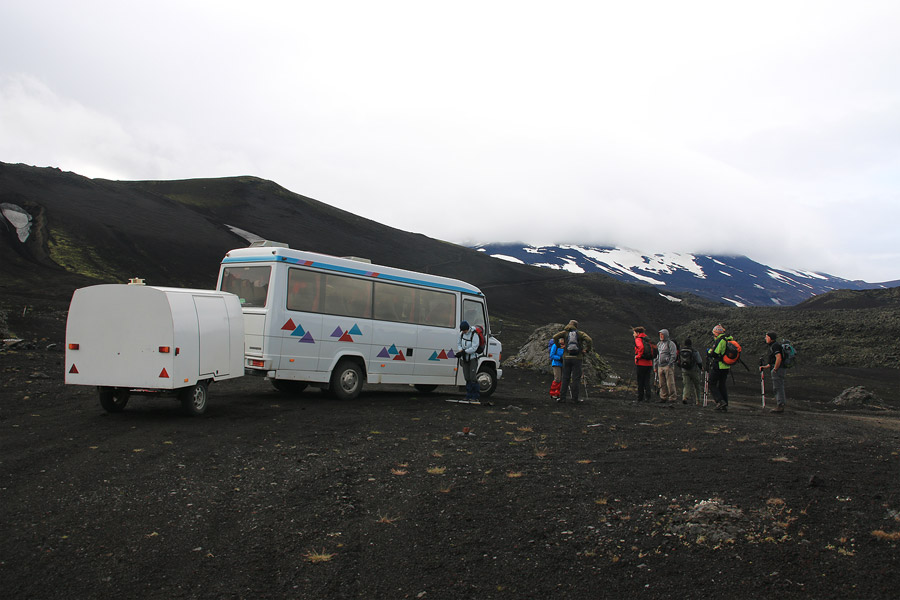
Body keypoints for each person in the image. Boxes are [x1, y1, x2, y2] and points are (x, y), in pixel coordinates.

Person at [552, 320, 593, 403]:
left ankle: (562, 398)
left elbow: (555, 337)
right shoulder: (580, 333)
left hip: (566, 358)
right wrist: (587, 350)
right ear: (576, 326)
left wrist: (559, 346)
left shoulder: (564, 333)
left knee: (565, 378)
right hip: (577, 358)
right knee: (576, 379)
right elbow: (589, 340)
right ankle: (575, 399)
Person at [707, 324, 732, 411]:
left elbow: (715, 353)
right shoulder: (728, 339)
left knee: (711, 383)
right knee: (722, 384)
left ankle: (720, 401)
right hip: (726, 365)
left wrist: (709, 352)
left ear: (716, 333)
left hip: (718, 365)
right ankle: (724, 404)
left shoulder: (720, 340)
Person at [760, 331, 786, 413]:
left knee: (778, 387)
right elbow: (774, 359)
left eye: (767, 337)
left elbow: (778, 358)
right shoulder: (775, 345)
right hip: (779, 368)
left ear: (771, 338)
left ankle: (780, 405)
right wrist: (767, 366)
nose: (765, 338)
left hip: (778, 369)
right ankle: (780, 404)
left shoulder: (775, 346)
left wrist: (775, 368)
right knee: (778, 386)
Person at [457, 321, 482, 403]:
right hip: (465, 358)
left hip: (472, 358)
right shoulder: (461, 334)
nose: (463, 332)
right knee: (467, 377)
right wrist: (460, 351)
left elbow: (474, 347)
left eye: (464, 330)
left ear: (467, 329)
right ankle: (468, 395)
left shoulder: (474, 334)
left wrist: (464, 351)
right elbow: (459, 343)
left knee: (472, 377)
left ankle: (475, 396)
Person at [655, 329, 678, 403]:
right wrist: (655, 365)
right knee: (662, 383)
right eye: (660, 335)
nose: (661, 336)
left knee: (670, 382)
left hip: (668, 366)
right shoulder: (659, 344)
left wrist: (670, 363)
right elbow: (656, 355)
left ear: (666, 335)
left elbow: (673, 355)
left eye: (662, 334)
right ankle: (663, 397)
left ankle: (672, 397)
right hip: (660, 365)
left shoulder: (670, 344)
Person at [679, 338, 704, 405]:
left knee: (686, 385)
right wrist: (701, 367)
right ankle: (698, 401)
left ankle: (685, 397)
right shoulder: (694, 351)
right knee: (697, 386)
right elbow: (699, 361)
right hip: (694, 370)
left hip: (684, 370)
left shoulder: (681, 351)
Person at [632, 327, 654, 402]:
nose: (633, 334)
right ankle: (648, 397)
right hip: (649, 363)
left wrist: (637, 356)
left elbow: (641, 347)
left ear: (638, 333)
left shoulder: (638, 339)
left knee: (640, 381)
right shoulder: (647, 339)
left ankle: (640, 397)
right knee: (647, 381)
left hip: (641, 363)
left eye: (634, 333)